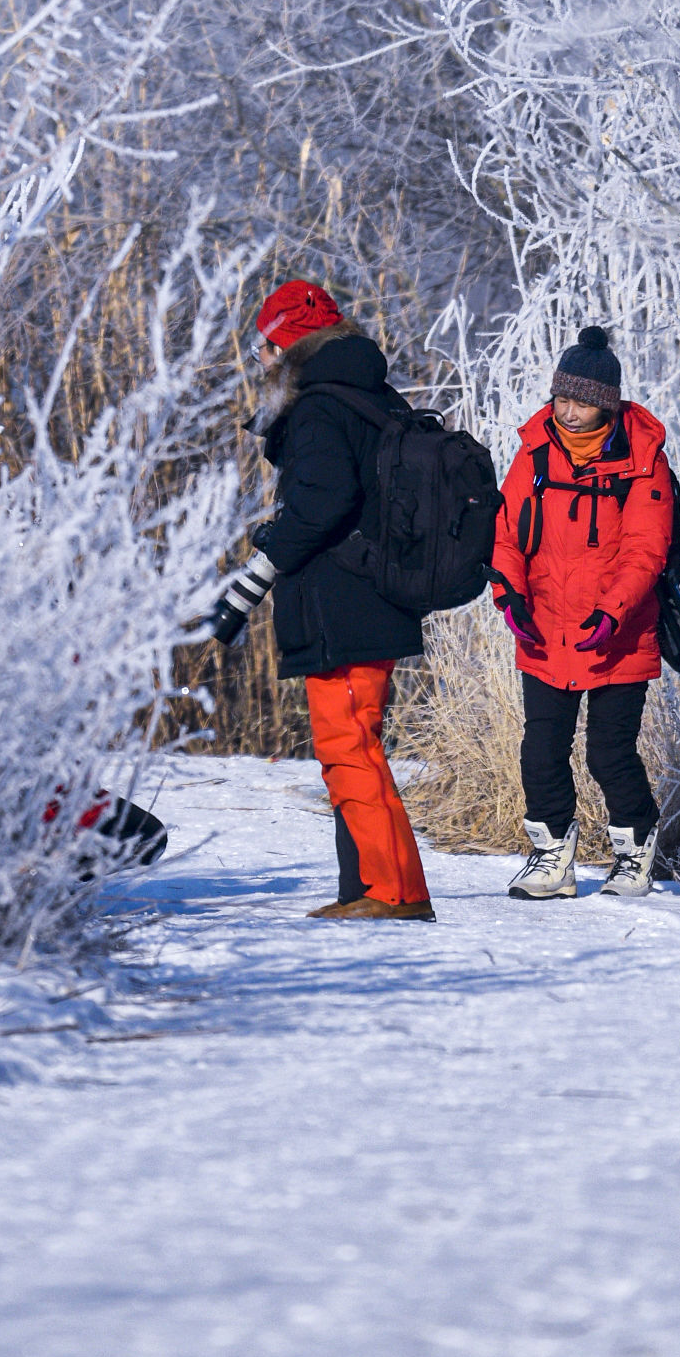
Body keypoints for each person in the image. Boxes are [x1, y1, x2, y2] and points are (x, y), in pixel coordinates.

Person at [208, 279, 436, 925]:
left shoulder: (318, 408)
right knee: (357, 745)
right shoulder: (371, 397)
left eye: (266, 345)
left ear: (291, 346)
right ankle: (372, 886)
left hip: (343, 601)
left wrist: (259, 565)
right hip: (374, 596)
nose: (259, 358)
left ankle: (393, 893)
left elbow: (323, 503)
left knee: (348, 746)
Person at [488, 322, 678, 899]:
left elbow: (648, 550)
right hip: (545, 627)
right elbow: (506, 530)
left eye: (581, 402)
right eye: (561, 398)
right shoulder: (535, 452)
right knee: (540, 747)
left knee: (608, 751)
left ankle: (633, 852)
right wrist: (509, 594)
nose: (568, 413)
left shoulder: (645, 464)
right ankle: (551, 857)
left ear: (607, 405)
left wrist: (614, 612)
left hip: (618, 633)